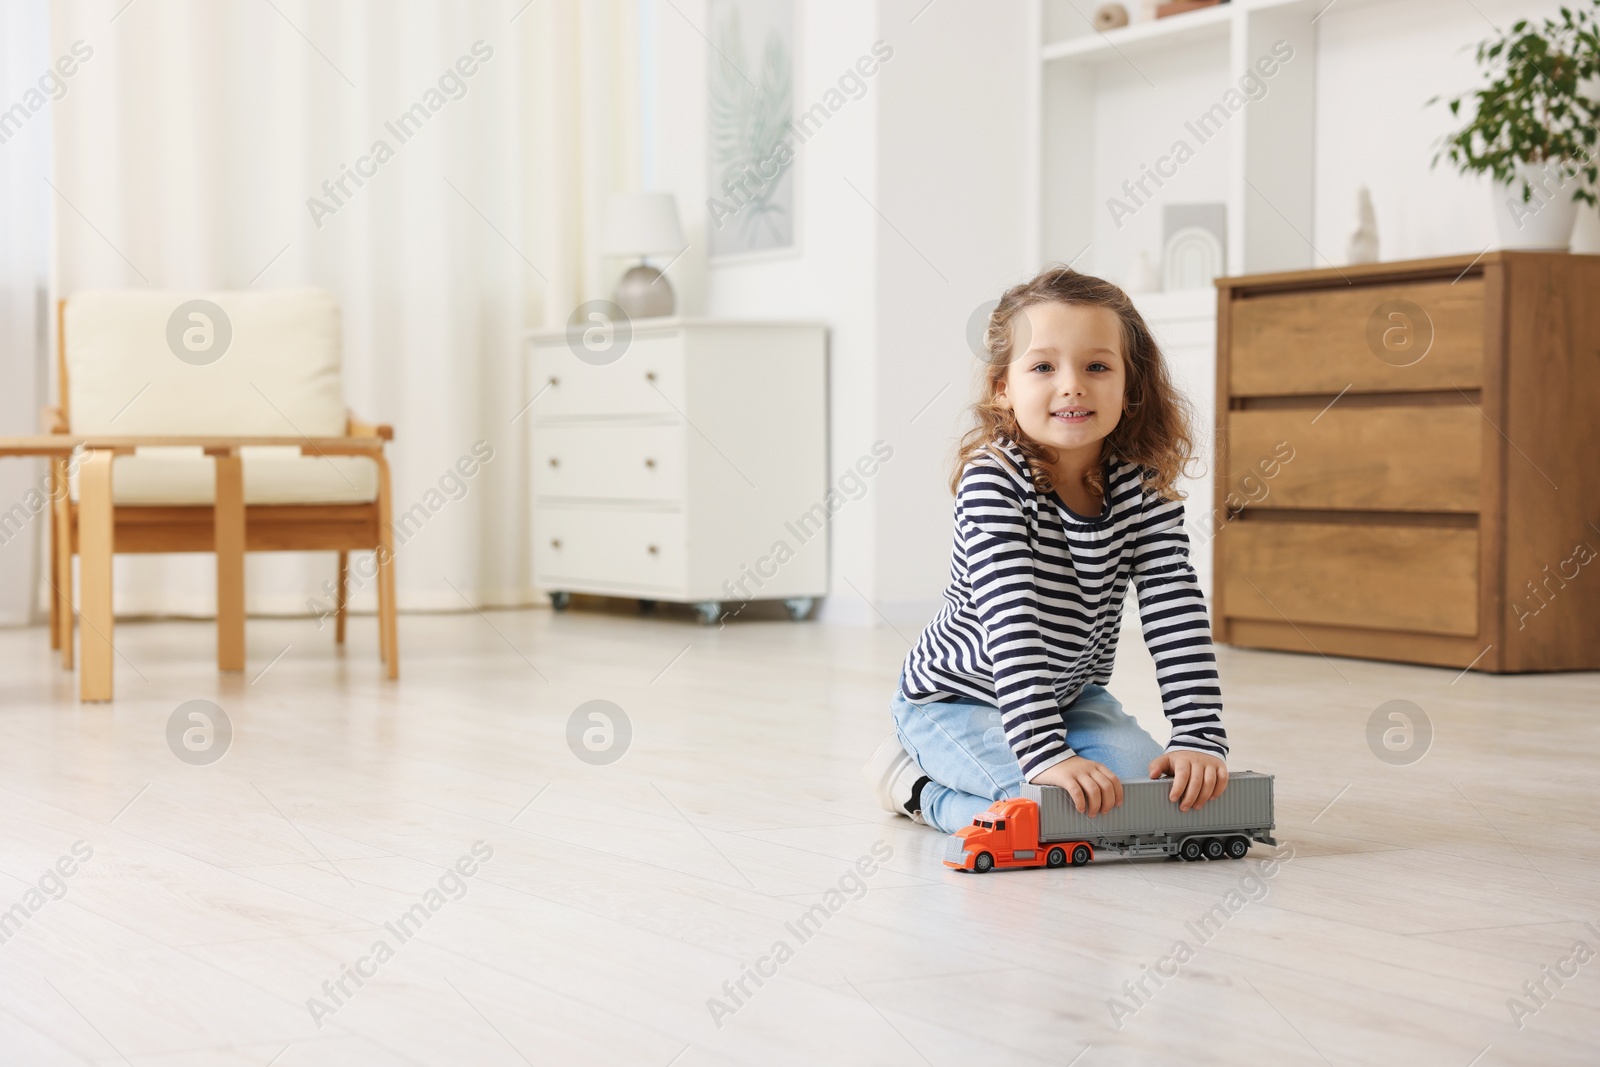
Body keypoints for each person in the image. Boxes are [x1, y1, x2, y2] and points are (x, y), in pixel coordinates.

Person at [863, 265, 1230, 835]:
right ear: (1003, 388)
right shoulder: (994, 483)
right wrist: (1045, 754)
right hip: (954, 701)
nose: (1072, 385)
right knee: (1054, 815)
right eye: (1042, 366)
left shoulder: (1141, 488)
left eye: (1098, 366)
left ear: (1130, 385)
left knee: (1149, 802)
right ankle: (914, 785)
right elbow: (1012, 621)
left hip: (1069, 697)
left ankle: (1036, 762)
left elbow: (1174, 608)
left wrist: (1198, 735)